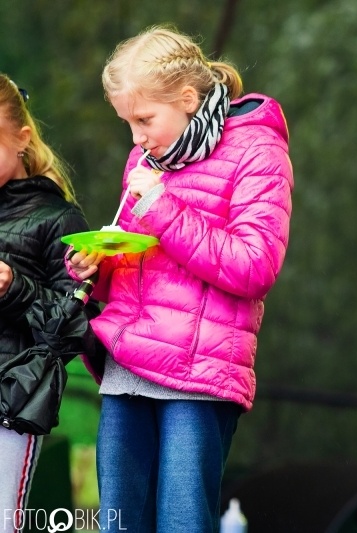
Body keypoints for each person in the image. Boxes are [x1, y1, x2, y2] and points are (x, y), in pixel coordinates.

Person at [65, 25, 293, 533]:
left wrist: (161, 207)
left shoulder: (258, 151)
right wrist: (96, 267)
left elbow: (255, 266)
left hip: (200, 377)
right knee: (120, 523)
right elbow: (138, 254)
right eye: (128, 123)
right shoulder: (145, 159)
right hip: (127, 364)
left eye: (144, 120)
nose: (136, 137)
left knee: (183, 523)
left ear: (188, 99)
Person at [0, 74, 92, 532]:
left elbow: (74, 330)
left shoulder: (58, 219)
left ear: (22, 139)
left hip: (12, 402)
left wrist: (14, 287)